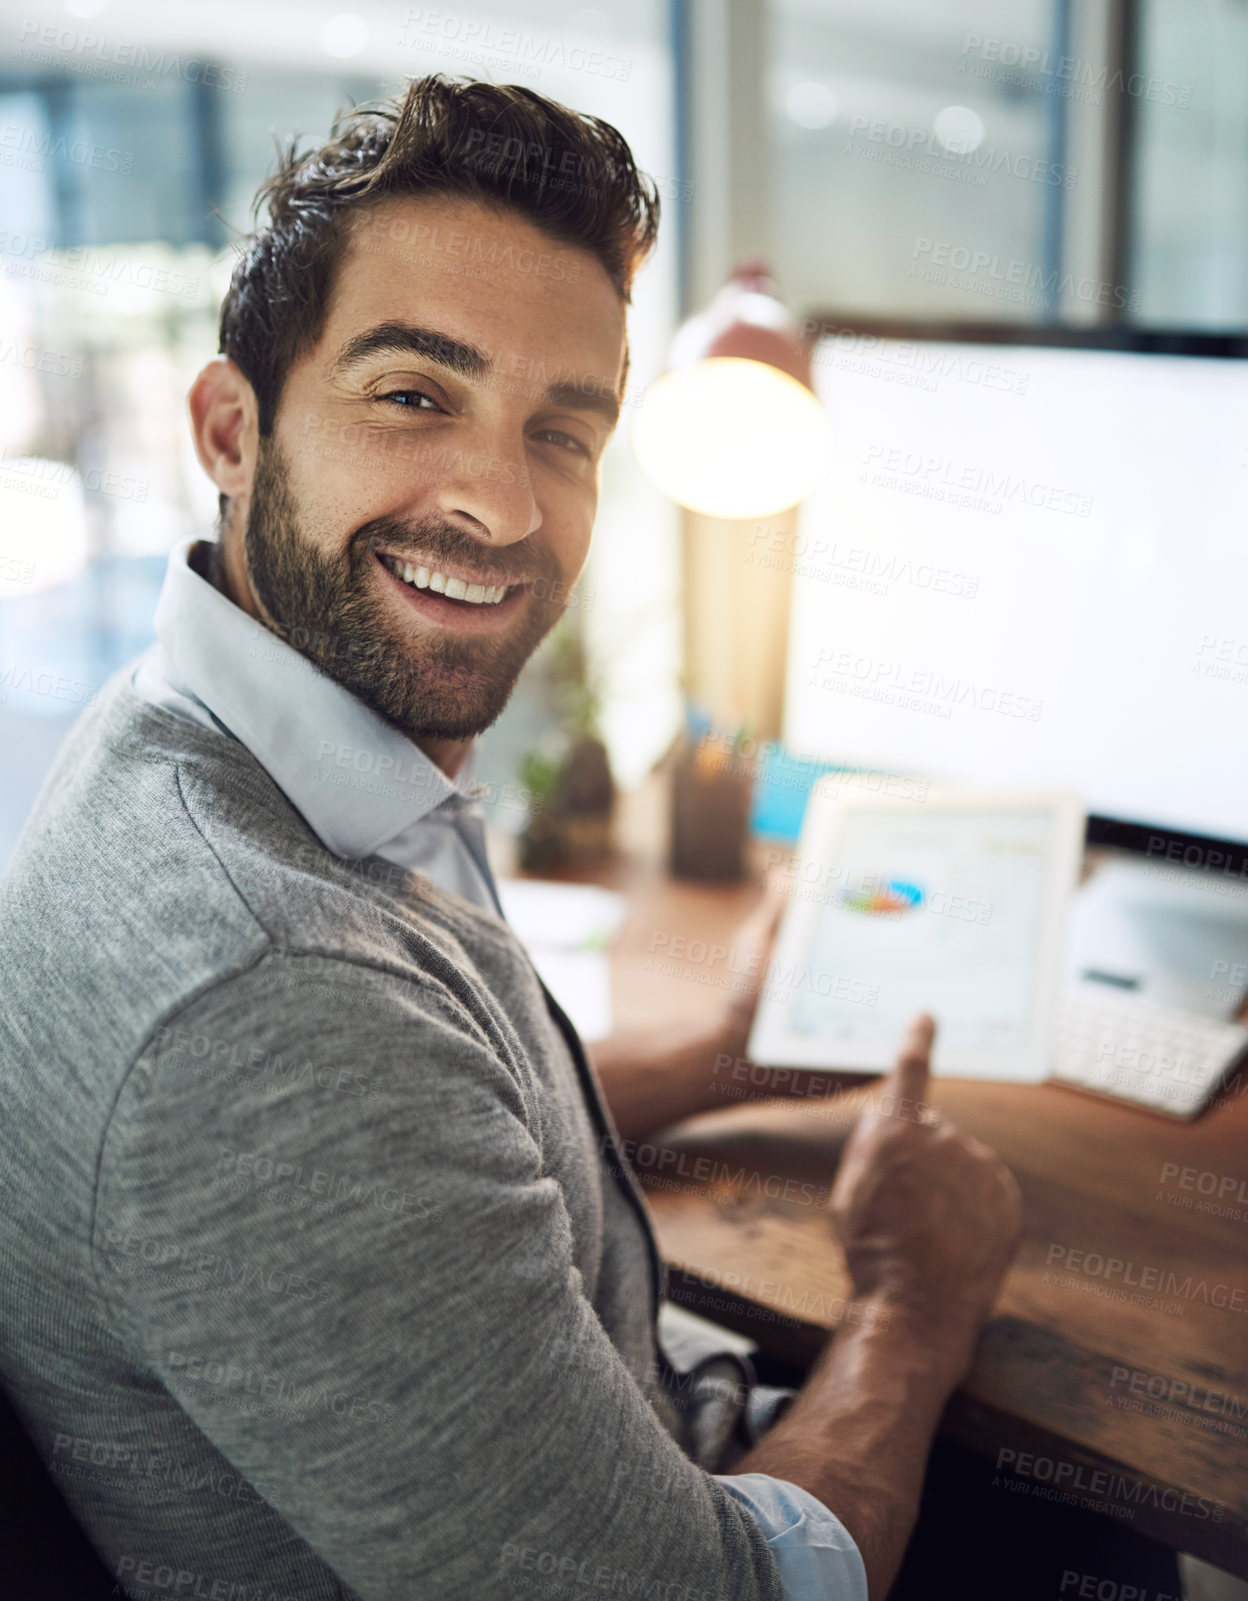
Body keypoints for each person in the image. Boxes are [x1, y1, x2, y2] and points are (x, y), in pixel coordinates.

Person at [0, 73, 1176, 1601]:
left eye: (565, 429)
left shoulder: (217, 730)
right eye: (415, 394)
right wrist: (912, 1298)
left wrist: (724, 1054)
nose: (499, 505)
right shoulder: (262, 998)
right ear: (233, 425)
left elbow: (421, 1126)